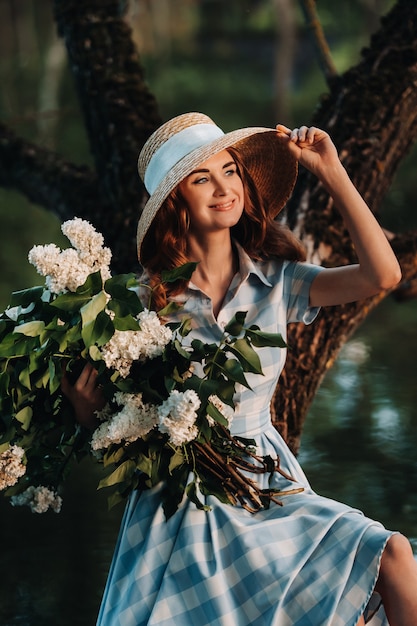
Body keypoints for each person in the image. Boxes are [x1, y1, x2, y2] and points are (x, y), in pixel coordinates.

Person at [63, 112, 417, 626]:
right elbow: (130, 430)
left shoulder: (278, 282)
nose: (223, 188)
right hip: (186, 504)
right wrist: (85, 415)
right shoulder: (143, 307)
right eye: (202, 178)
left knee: (394, 554)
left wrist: (333, 172)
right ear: (175, 203)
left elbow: (384, 275)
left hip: (268, 483)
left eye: (230, 171)